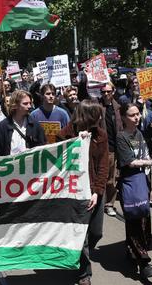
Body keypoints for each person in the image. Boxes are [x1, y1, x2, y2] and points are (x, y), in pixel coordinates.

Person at [56, 100, 110, 285]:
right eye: (97, 114)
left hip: (94, 191)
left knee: (96, 233)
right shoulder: (65, 135)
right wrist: (77, 141)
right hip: (75, 192)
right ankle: (84, 273)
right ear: (87, 116)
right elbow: (58, 163)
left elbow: (103, 166)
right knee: (82, 236)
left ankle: (78, 256)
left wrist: (97, 191)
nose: (101, 117)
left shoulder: (101, 135)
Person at [116, 103, 152, 279]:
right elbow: (130, 162)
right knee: (134, 222)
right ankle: (144, 262)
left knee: (144, 222)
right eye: (132, 115)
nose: (137, 118)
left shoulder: (140, 134)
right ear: (124, 117)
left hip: (143, 184)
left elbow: (149, 156)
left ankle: (133, 252)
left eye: (138, 114)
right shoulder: (121, 137)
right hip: (130, 184)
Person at [0, 90, 46, 156]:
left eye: (30, 103)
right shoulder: (2, 127)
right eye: (25, 103)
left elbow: (42, 148)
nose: (29, 106)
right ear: (15, 105)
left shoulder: (35, 125)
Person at [99, 82, 122, 216]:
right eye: (103, 92)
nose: (106, 94)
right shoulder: (97, 106)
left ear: (113, 91)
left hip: (115, 148)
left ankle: (109, 204)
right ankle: (100, 202)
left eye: (108, 91)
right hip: (102, 148)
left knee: (112, 179)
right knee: (101, 177)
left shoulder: (118, 107)